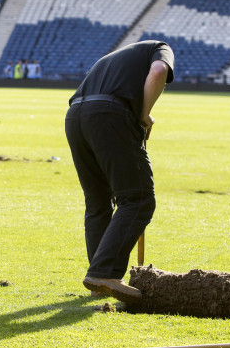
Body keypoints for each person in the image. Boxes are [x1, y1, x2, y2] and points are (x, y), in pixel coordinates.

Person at [65, 40, 174, 305]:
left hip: (75, 116)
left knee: (98, 202)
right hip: (109, 114)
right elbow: (159, 71)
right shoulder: (160, 47)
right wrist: (143, 114)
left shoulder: (112, 57)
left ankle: (98, 280)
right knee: (137, 199)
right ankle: (105, 273)